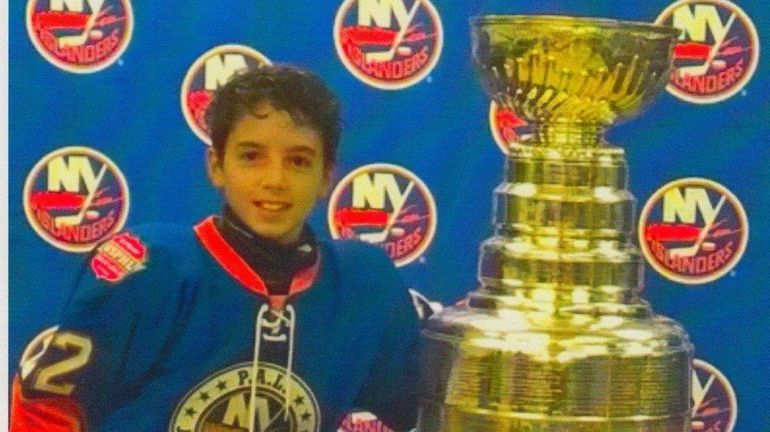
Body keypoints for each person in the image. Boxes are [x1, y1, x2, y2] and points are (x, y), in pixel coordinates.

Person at [11, 65, 421, 432]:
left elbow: (401, 414)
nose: (274, 180)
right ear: (216, 166)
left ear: (327, 176)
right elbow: (48, 409)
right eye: (252, 157)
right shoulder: (147, 270)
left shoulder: (364, 285)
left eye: (298, 161)